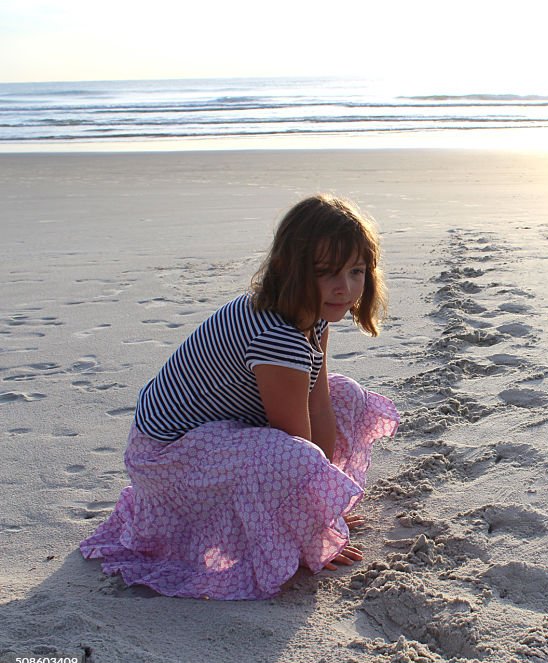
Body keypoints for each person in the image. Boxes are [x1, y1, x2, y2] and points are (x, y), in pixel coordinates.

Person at [80, 194, 400, 600]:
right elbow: (295, 446)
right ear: (291, 268)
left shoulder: (311, 316)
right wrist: (310, 532)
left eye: (356, 271)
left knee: (345, 397)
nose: (345, 288)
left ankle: (309, 510)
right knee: (293, 457)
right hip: (167, 460)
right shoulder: (278, 336)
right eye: (326, 273)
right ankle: (285, 530)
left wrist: (324, 507)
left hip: (217, 434)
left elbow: (318, 402)